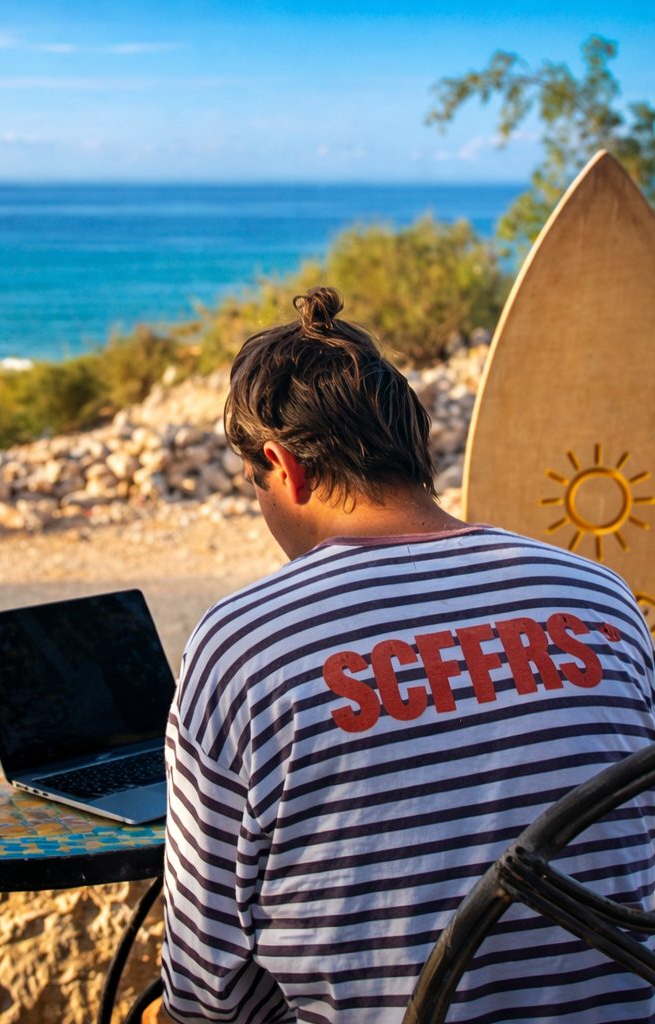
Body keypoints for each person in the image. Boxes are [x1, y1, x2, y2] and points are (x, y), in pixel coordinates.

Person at [159, 286, 655, 1023]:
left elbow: (209, 994)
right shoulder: (599, 595)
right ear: (410, 449)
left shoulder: (244, 645)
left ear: (283, 467)